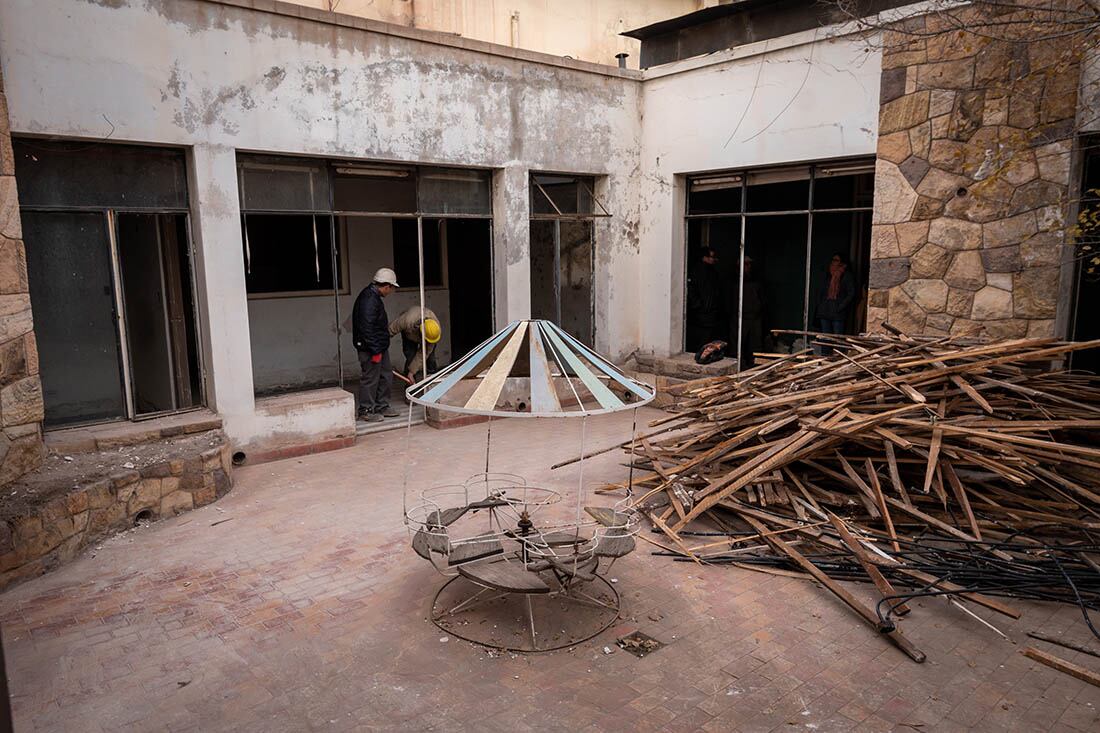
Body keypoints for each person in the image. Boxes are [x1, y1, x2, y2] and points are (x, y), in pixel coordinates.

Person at [353, 267, 400, 422]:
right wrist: (375, 350)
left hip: (378, 346)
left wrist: (379, 347)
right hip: (371, 348)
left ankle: (382, 406)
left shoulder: (373, 297)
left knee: (385, 375)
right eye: (391, 289)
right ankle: (365, 410)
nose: (390, 292)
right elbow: (367, 328)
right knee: (370, 378)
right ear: (386, 286)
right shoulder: (368, 300)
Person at [815, 253, 856, 353]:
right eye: (833, 260)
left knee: (837, 338)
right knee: (825, 338)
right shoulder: (828, 274)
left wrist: (840, 306)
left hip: (837, 312)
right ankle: (825, 359)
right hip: (825, 311)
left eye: (837, 260)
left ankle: (838, 359)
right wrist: (820, 305)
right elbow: (821, 291)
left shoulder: (846, 276)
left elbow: (851, 293)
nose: (834, 263)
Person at [389, 305, 441, 383]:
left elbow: (424, 353)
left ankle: (433, 384)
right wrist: (378, 346)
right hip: (409, 333)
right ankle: (410, 386)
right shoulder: (407, 320)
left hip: (426, 334)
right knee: (411, 357)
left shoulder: (434, 330)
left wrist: (412, 372)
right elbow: (390, 330)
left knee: (431, 359)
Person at [731, 255, 765, 370]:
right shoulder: (734, 280)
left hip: (754, 317)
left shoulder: (755, 279)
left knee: (755, 344)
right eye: (746, 264)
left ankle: (755, 365)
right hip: (740, 317)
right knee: (738, 343)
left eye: (749, 264)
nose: (749, 266)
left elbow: (761, 298)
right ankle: (739, 365)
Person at [686, 247, 724, 351]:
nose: (714, 259)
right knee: (701, 340)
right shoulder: (696, 272)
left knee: (709, 339)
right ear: (704, 258)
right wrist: (698, 305)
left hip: (711, 313)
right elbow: (691, 290)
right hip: (700, 314)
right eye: (712, 257)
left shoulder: (713, 273)